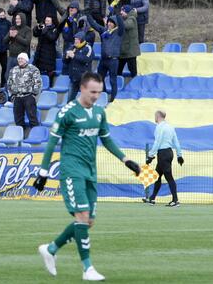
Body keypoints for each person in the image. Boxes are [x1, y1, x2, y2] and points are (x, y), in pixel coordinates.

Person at [34, 72, 141, 281]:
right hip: (72, 171)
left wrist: (126, 160)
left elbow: (107, 140)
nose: (96, 96)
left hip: (91, 172)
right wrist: (43, 172)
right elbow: (52, 143)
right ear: (82, 88)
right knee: (82, 216)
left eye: (99, 92)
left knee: (88, 221)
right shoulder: (67, 112)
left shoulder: (100, 113)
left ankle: (51, 249)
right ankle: (87, 268)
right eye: (93, 92)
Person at [144, 111, 183, 207]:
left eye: (155, 116)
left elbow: (158, 141)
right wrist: (179, 155)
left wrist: (150, 156)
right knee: (157, 176)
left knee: (169, 177)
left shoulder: (159, 127)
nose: (155, 118)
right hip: (169, 153)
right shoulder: (170, 127)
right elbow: (176, 142)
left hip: (163, 154)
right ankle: (152, 198)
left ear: (158, 116)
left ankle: (175, 200)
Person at [87, 13, 124, 102]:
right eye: (108, 22)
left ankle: (113, 99)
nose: (109, 24)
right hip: (103, 60)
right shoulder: (104, 31)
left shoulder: (119, 32)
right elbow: (94, 24)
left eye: (111, 22)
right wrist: (88, 14)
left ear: (115, 24)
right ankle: (104, 94)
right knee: (99, 78)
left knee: (113, 81)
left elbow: (121, 24)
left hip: (113, 60)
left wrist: (118, 13)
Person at [7, 53, 42, 139]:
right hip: (17, 97)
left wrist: (33, 94)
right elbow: (9, 83)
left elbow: (37, 83)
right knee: (18, 119)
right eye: (19, 59)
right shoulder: (13, 70)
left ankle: (36, 137)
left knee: (32, 118)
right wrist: (12, 96)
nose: (20, 60)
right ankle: (21, 138)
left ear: (26, 60)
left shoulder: (33, 69)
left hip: (28, 96)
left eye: (22, 59)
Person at [65, 32, 94, 103]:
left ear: (82, 40)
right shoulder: (72, 47)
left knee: (86, 101)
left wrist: (74, 56)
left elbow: (86, 59)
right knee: (69, 101)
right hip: (74, 78)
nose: (76, 41)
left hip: (84, 79)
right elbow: (65, 61)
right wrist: (67, 57)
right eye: (75, 39)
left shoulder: (88, 48)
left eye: (77, 39)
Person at [32, 15, 60, 83]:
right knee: (38, 76)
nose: (46, 22)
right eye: (46, 20)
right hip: (40, 55)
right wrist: (37, 28)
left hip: (49, 56)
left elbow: (52, 38)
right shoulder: (43, 28)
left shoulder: (55, 29)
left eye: (48, 21)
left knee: (49, 75)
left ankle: (49, 89)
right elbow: (35, 34)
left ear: (52, 22)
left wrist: (45, 30)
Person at [4, 13, 32, 79]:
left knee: (20, 77)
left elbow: (27, 42)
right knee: (8, 76)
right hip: (11, 56)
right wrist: (9, 36)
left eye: (19, 19)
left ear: (23, 19)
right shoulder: (13, 28)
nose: (17, 20)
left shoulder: (28, 30)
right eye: (16, 19)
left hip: (22, 58)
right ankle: (8, 89)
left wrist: (16, 36)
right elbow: (4, 41)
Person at [57, 1, 81, 75]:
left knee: (72, 63)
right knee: (65, 61)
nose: (71, 9)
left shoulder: (79, 17)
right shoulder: (66, 15)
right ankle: (64, 78)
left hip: (74, 43)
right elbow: (57, 6)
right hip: (66, 43)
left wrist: (72, 19)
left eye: (73, 8)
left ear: (77, 9)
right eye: (70, 7)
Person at [118, 5, 140, 78]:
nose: (121, 13)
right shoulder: (125, 19)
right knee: (118, 70)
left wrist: (118, 20)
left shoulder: (132, 19)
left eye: (122, 11)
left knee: (133, 72)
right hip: (124, 51)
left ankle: (136, 86)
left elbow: (126, 25)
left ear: (127, 12)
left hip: (130, 52)